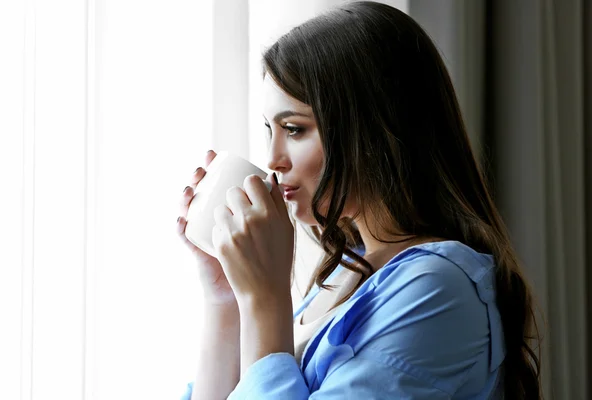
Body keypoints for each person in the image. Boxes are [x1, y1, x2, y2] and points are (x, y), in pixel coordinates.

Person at [176, 2, 541, 399]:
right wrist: (226, 296)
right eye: (270, 129)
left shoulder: (436, 290)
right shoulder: (347, 272)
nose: (273, 160)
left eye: (294, 129)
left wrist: (265, 301)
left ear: (371, 132)